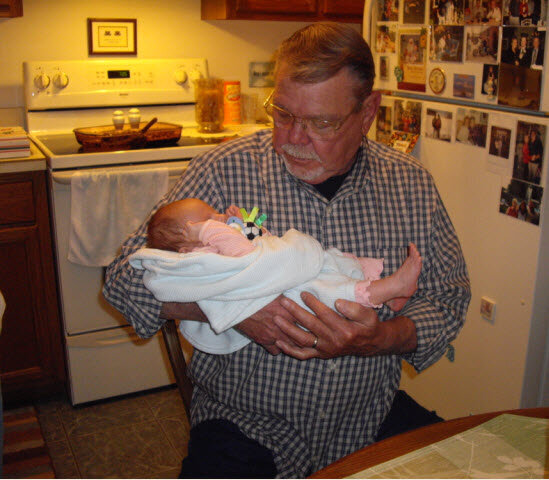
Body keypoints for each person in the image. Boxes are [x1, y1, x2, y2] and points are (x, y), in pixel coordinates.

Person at [103, 22, 471, 478]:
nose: (292, 138)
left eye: (320, 122)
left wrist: (383, 338)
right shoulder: (223, 169)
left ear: (368, 111)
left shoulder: (410, 185)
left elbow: (449, 299)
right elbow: (124, 280)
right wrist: (234, 308)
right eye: (282, 113)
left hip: (366, 416)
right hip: (246, 423)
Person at [131, 198, 422, 354]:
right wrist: (212, 229)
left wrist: (237, 222)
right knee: (324, 288)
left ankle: (389, 293)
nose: (220, 218)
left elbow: (258, 241)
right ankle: (388, 288)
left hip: (284, 274)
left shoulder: (213, 247)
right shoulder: (202, 259)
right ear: (188, 241)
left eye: (217, 214)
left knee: (334, 262)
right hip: (294, 293)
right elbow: (246, 258)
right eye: (210, 218)